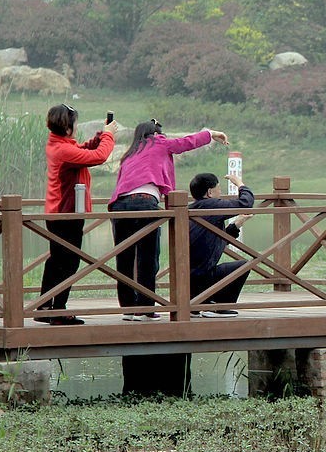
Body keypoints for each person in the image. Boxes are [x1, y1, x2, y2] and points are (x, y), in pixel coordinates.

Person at [108, 120, 229, 321]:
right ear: (155, 133)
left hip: (119, 205)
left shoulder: (128, 155)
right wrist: (210, 133)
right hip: (145, 203)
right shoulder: (158, 143)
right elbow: (185, 143)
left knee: (125, 259)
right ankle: (146, 308)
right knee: (148, 259)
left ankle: (129, 309)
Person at [36, 103, 117, 325]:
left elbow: (83, 151)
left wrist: (100, 135)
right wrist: (109, 137)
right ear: (68, 126)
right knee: (69, 262)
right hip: (66, 213)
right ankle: (59, 311)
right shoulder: (63, 150)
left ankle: (44, 306)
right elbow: (99, 157)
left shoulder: (58, 145)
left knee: (57, 260)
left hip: (56, 212)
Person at [188, 173, 255, 317]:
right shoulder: (211, 205)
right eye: (219, 189)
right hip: (202, 279)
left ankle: (200, 305)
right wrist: (240, 184)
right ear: (210, 192)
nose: (221, 193)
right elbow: (246, 203)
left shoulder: (194, 208)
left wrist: (237, 224)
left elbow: (212, 241)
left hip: (189, 284)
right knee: (244, 266)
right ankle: (218, 307)